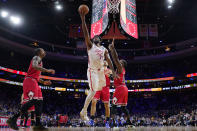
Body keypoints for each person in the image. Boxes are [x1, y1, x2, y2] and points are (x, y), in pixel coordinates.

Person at [78, 8, 115, 122]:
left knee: (95, 91)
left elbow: (109, 60)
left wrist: (113, 71)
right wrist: (83, 19)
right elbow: (85, 32)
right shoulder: (90, 46)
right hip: (92, 70)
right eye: (94, 37)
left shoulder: (104, 49)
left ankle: (87, 97)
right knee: (94, 92)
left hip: (101, 73)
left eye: (97, 37)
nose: (95, 37)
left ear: (100, 40)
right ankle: (83, 112)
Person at [7, 48, 55, 130]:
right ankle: (13, 119)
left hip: (34, 81)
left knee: (40, 101)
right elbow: (34, 66)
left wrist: (43, 82)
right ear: (39, 52)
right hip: (30, 80)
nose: (44, 52)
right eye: (43, 50)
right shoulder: (36, 57)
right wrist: (47, 70)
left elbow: (37, 76)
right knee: (33, 101)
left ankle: (38, 124)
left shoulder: (41, 61)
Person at [108, 39, 133, 127]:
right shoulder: (120, 70)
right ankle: (129, 122)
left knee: (113, 106)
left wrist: (112, 49)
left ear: (121, 64)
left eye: (120, 62)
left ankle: (114, 124)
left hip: (120, 88)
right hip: (124, 88)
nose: (119, 62)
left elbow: (115, 59)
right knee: (123, 107)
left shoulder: (120, 67)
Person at [90, 61, 112, 127]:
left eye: (106, 62)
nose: (105, 62)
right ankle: (92, 120)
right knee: (93, 102)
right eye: (103, 61)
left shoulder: (110, 71)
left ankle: (107, 121)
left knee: (107, 105)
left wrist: (111, 75)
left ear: (107, 64)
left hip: (106, 88)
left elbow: (113, 76)